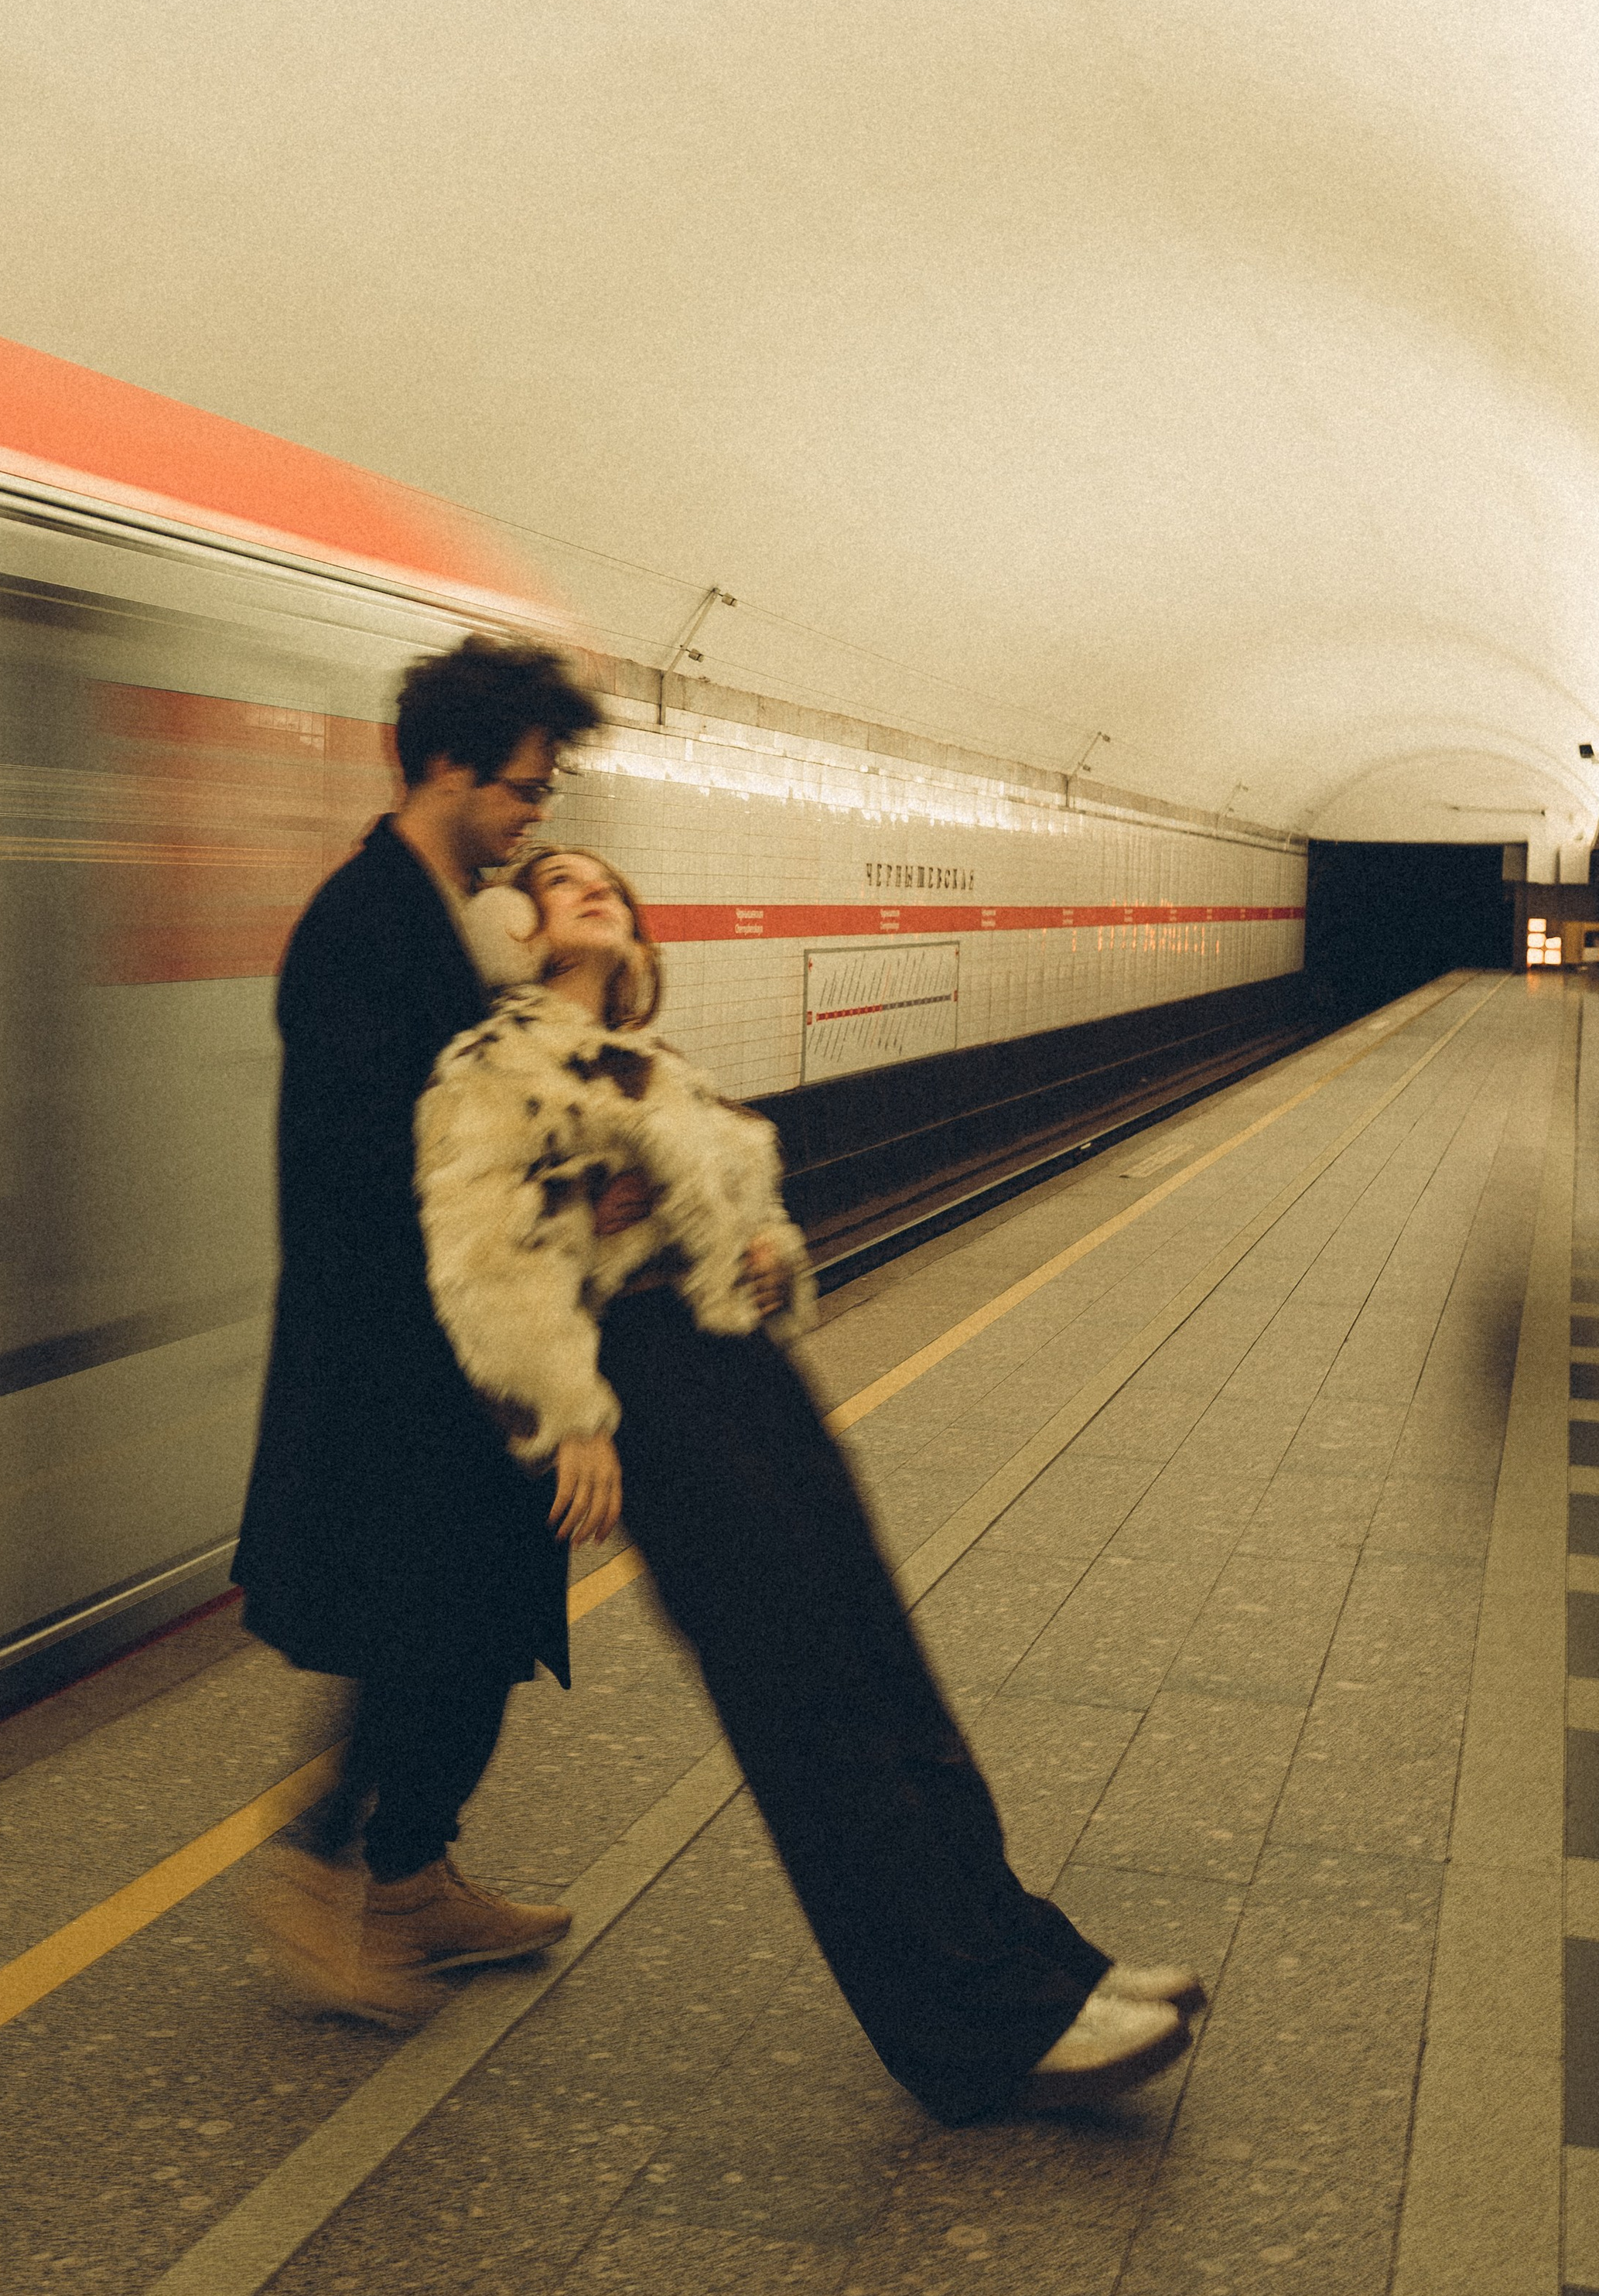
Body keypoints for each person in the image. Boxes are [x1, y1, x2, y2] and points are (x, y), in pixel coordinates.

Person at [415, 845, 1207, 2121]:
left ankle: (1030, 1963)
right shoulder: (492, 1070)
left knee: (885, 1673)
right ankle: (966, 2030)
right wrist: (572, 1418)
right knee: (808, 1711)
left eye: (607, 879)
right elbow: (486, 1262)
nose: (589, 889)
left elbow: (733, 1214)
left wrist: (770, 1258)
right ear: (512, 925)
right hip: (648, 1397)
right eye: (557, 882)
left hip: (745, 1376)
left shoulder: (657, 1067)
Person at [234, 637, 613, 2022]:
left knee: (465, 1626)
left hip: (451, 1349)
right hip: (394, 1358)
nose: (532, 820)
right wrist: (519, 1375)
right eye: (521, 791)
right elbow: (389, 1182)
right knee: (424, 1628)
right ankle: (315, 1872)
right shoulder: (362, 929)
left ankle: (414, 1876)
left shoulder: (435, 913)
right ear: (447, 765)